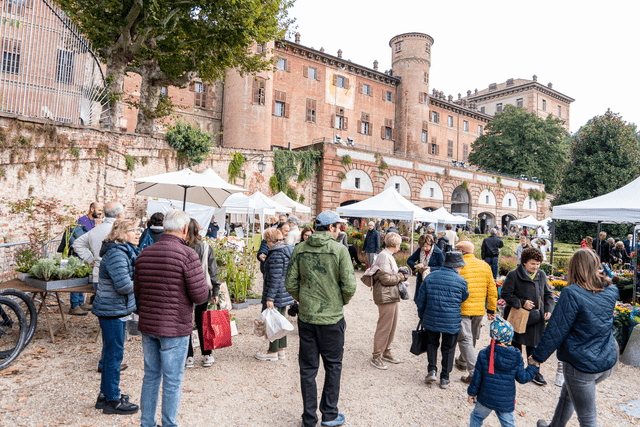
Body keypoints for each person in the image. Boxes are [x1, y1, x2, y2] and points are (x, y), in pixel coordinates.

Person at [134, 210, 209, 427]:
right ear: (185, 229)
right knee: (173, 381)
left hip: (149, 324)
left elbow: (137, 291)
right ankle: (168, 424)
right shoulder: (187, 255)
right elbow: (200, 294)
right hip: (175, 326)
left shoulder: (145, 254)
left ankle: (147, 423)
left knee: (150, 376)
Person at [285, 211, 357, 427]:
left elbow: (290, 283)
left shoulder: (300, 249)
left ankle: (309, 418)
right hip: (331, 319)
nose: (341, 230)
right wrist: (339, 302)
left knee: (308, 368)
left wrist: (303, 299)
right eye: (339, 227)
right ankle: (329, 414)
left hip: (307, 318)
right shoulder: (339, 250)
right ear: (332, 227)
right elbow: (350, 286)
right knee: (333, 365)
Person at [533, 249, 619, 427]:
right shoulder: (611, 291)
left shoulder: (572, 293)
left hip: (582, 365)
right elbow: (608, 281)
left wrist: (537, 357)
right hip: (605, 360)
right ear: (596, 266)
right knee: (568, 394)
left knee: (588, 419)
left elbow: (556, 330)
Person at [92, 218, 140, 415]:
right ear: (122, 233)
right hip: (112, 311)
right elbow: (124, 286)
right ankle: (113, 400)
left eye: (139, 229)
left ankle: (105, 396)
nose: (138, 233)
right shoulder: (117, 255)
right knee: (114, 356)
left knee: (111, 353)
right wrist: (143, 283)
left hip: (115, 309)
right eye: (134, 230)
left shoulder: (124, 251)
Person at [74, 201, 125, 370]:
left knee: (107, 322)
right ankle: (109, 362)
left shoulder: (96, 230)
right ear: (119, 215)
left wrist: (90, 260)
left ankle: (108, 360)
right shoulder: (119, 232)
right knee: (115, 322)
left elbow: (77, 244)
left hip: (98, 277)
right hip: (115, 278)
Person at [467, 317, 538, 427]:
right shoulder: (516, 356)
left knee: (476, 416)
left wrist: (471, 393)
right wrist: (533, 367)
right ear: (510, 336)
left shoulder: (484, 353)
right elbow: (522, 378)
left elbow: (477, 377)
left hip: (486, 398)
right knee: (509, 425)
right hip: (506, 402)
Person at [415, 251, 469, 390]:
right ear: (457, 267)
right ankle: (445, 377)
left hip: (431, 317)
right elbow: (464, 298)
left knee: (432, 344)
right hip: (451, 320)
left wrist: (421, 315)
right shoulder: (461, 281)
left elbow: (421, 299)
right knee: (449, 348)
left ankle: (432, 370)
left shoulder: (431, 277)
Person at [501, 247, 553, 386]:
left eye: (538, 264)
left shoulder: (541, 274)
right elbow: (505, 294)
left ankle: (535, 373)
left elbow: (548, 294)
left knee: (534, 346)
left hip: (536, 317)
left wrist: (548, 309)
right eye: (532, 264)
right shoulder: (513, 274)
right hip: (518, 317)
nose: (535, 267)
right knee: (515, 346)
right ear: (524, 262)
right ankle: (514, 370)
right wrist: (521, 303)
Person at [454, 241, 498, 384]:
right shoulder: (485, 266)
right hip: (479, 309)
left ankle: (473, 372)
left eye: (456, 249)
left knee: (464, 338)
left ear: (461, 251)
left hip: (463, 308)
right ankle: (462, 360)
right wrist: (491, 309)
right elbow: (492, 289)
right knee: (471, 336)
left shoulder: (458, 266)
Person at [369, 232, 409, 370]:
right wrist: (401, 277)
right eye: (399, 244)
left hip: (390, 294)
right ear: (395, 244)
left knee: (391, 325)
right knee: (384, 326)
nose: (399, 246)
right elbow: (386, 279)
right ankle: (376, 355)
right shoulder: (384, 256)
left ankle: (386, 351)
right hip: (386, 295)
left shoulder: (386, 255)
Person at [255, 228, 294, 361]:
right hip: (283, 292)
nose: (266, 244)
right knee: (280, 321)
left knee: (274, 324)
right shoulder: (285, 250)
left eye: (266, 241)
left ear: (270, 240)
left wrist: (270, 297)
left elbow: (275, 278)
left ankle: (272, 351)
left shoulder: (277, 253)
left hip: (277, 293)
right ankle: (281, 350)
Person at [185, 219, 219, 369]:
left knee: (186, 322)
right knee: (203, 321)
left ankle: (188, 356)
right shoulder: (205, 247)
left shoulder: (181, 247)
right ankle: (207, 355)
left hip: (184, 289)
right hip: (202, 288)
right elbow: (213, 270)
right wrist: (216, 290)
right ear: (198, 230)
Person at [407, 234, 444, 302]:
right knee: (420, 301)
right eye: (422, 246)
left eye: (426, 246)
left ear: (431, 243)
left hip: (433, 281)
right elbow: (409, 260)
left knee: (429, 301)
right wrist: (415, 266)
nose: (424, 248)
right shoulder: (419, 250)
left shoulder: (439, 252)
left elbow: (443, 268)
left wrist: (430, 268)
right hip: (421, 280)